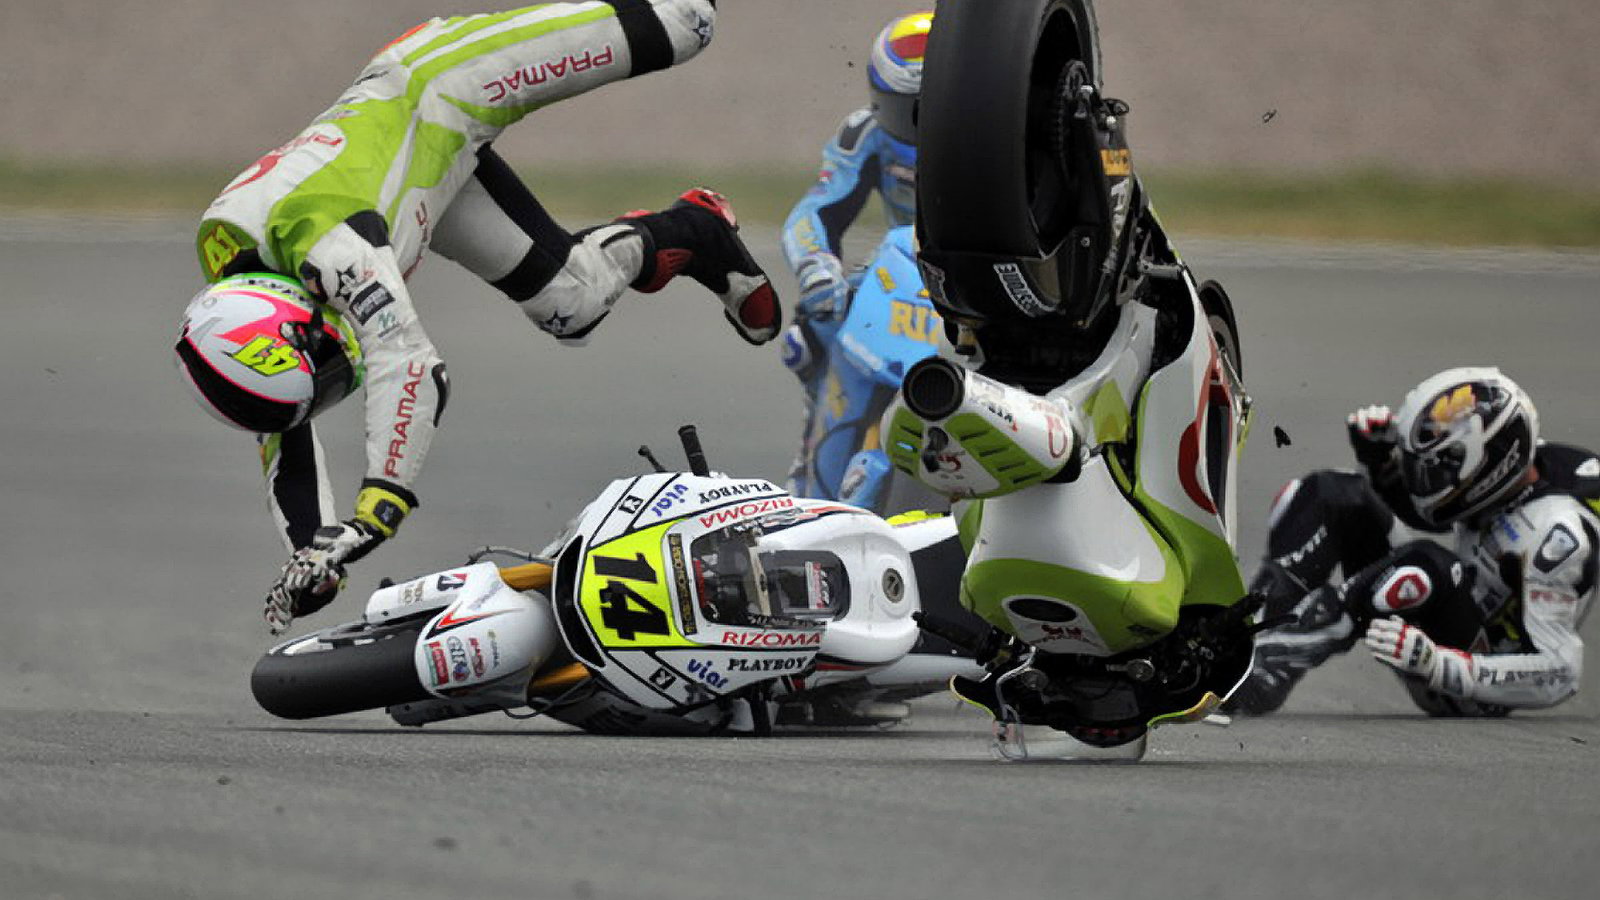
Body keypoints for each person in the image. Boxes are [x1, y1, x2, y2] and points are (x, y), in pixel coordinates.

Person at [172, 2, 780, 634]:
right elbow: (283, 433)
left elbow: (409, 363)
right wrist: (314, 551)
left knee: (684, 22)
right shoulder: (251, 304)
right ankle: (697, 229)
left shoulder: (323, 239)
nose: (334, 378)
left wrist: (375, 510)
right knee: (572, 304)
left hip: (442, 83)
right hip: (432, 175)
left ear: (291, 319)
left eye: (321, 369)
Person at [1230, 367, 1598, 716]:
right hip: (1447, 611)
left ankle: (1278, 654)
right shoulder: (1516, 471)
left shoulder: (1556, 538)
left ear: (1493, 464)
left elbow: (1558, 675)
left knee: (1427, 564)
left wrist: (1439, 665)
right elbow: (1434, 512)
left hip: (1472, 679)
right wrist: (1379, 465)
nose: (1423, 482)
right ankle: (1247, 643)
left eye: (1435, 469)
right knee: (1331, 493)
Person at [776, 10, 931, 397]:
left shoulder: (1005, 136)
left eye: (936, 107)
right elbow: (814, 211)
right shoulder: (866, 133)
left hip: (991, 275)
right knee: (808, 337)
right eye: (906, 109)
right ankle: (820, 443)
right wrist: (818, 269)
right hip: (910, 270)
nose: (920, 125)